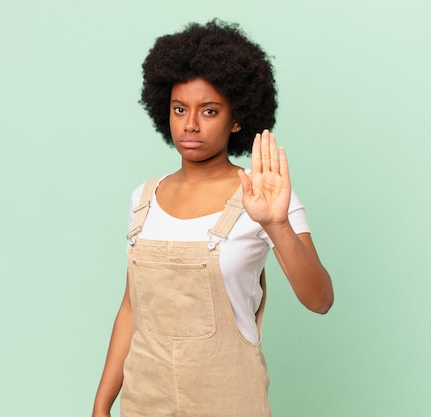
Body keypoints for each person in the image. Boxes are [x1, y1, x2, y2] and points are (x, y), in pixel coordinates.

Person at [91, 19, 333, 417]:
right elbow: (131, 309)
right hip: (143, 403)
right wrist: (102, 405)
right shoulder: (143, 198)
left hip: (230, 401)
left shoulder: (267, 197)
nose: (190, 124)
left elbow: (320, 299)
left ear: (236, 119)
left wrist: (276, 224)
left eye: (209, 111)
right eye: (180, 109)